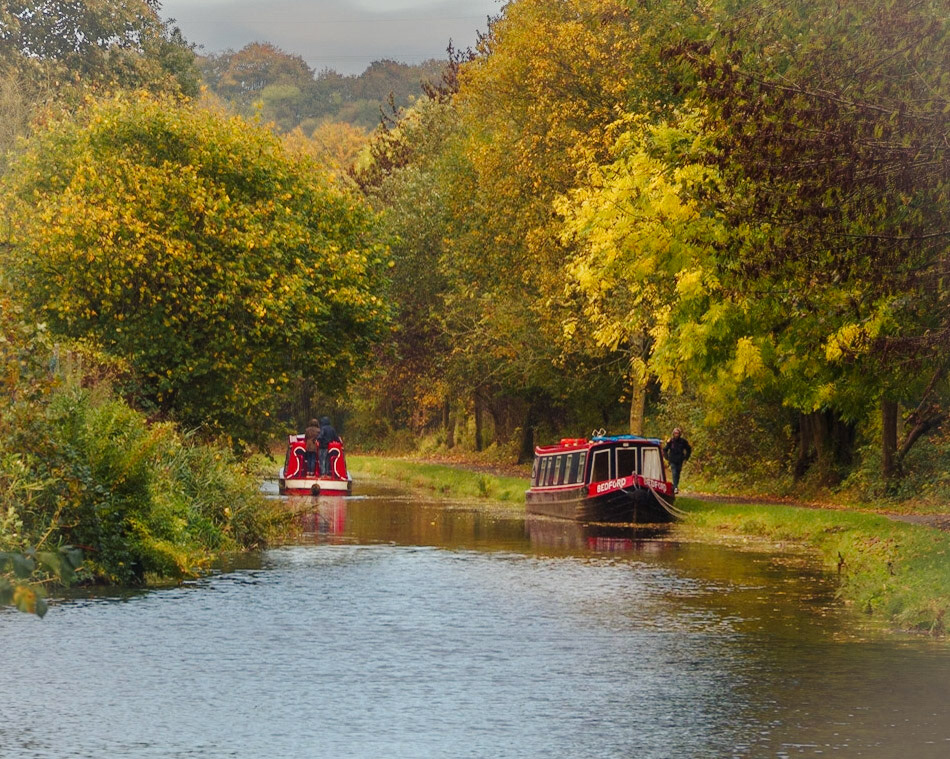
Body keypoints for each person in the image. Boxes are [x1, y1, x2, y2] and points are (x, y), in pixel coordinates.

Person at [663, 427, 692, 494]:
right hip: (672, 460)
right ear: (673, 434)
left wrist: (686, 457)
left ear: (680, 434)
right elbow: (665, 449)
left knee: (678, 474)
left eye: (677, 433)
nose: (676, 434)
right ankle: (675, 487)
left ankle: (676, 485)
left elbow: (689, 449)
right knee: (674, 472)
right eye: (675, 433)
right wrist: (667, 458)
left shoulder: (683, 441)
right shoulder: (671, 441)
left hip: (679, 460)